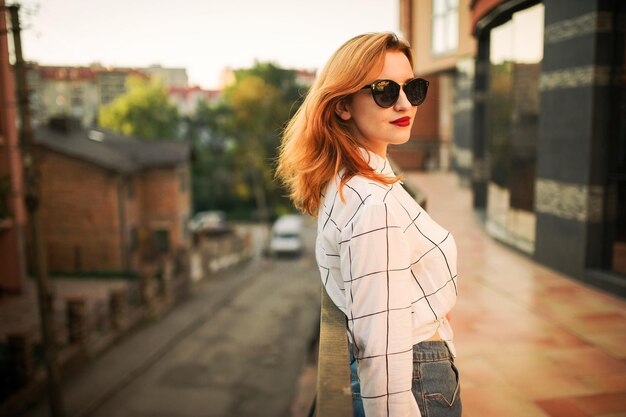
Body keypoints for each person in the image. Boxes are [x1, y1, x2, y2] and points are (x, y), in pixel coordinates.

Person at [276, 32, 461, 417]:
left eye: (413, 88)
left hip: (419, 373)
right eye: (383, 91)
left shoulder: (351, 178)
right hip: (417, 383)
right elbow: (381, 349)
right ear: (343, 105)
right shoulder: (372, 204)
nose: (405, 102)